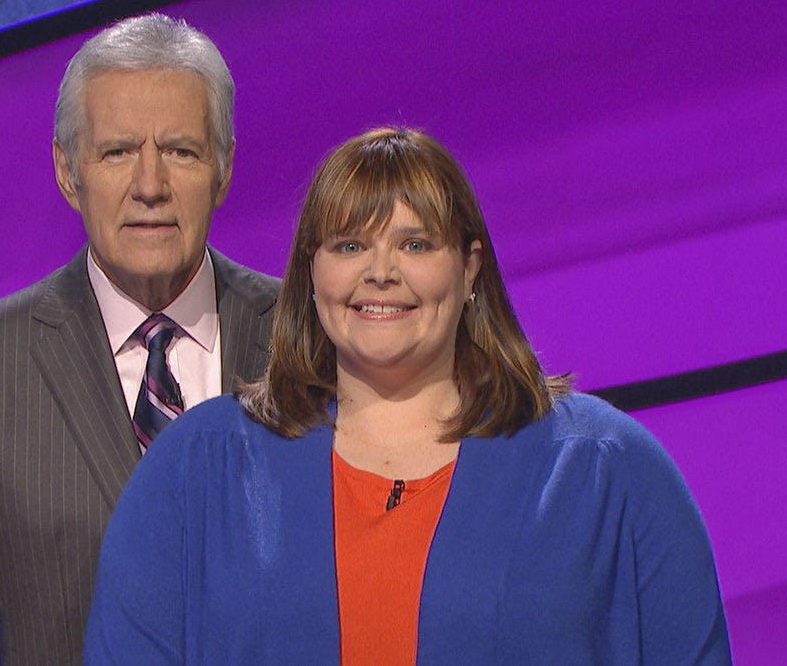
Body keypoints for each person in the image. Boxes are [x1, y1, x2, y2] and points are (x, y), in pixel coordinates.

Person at [83, 127, 731, 664]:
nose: (381, 271)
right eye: (349, 244)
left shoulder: (607, 469)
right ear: (311, 273)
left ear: (470, 267)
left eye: (415, 243)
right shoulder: (196, 469)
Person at [0, 13, 279, 664]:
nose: (149, 186)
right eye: (116, 151)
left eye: (181, 151)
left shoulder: (308, 338)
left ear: (223, 169)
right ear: (66, 170)